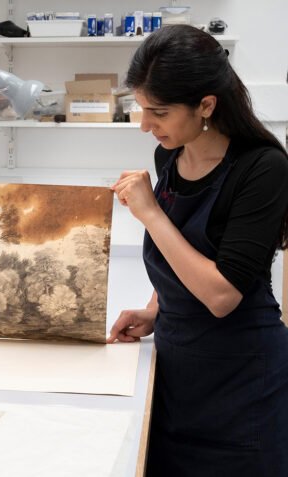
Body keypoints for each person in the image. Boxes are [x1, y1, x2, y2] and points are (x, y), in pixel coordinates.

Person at [107, 24, 288, 476]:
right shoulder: (169, 156)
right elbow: (179, 253)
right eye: (141, 109)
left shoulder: (263, 168)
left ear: (206, 105)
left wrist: (151, 214)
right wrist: (156, 309)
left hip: (242, 384)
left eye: (160, 112)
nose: (146, 125)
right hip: (177, 375)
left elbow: (222, 295)